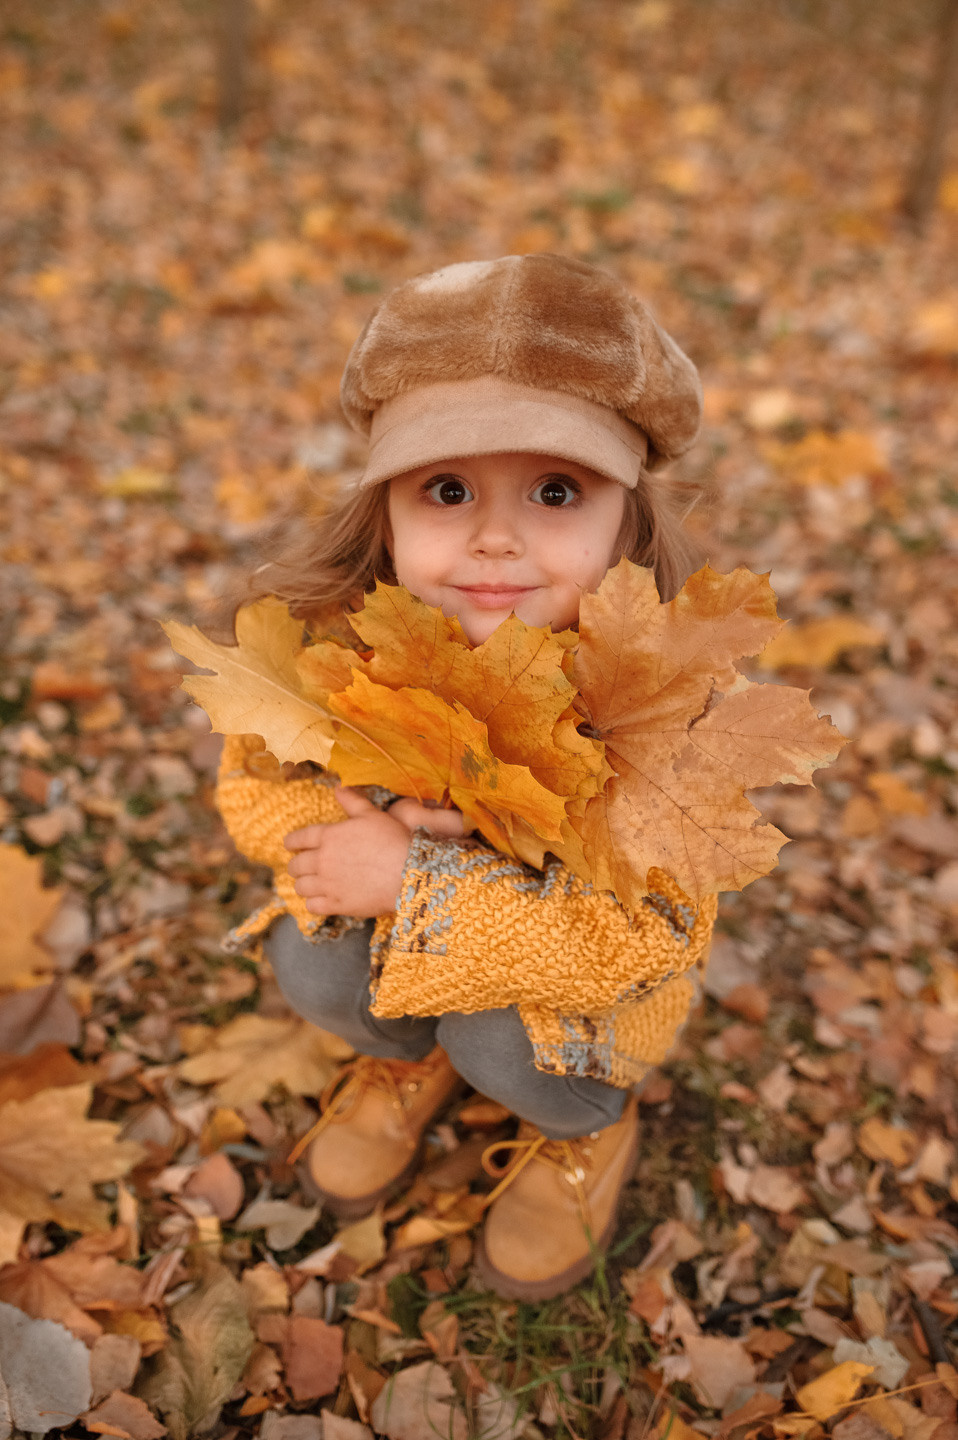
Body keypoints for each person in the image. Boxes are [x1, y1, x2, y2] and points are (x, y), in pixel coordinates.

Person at [215, 253, 717, 1301]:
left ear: (627, 517)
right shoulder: (340, 647)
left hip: (581, 998)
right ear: (384, 514)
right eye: (447, 490)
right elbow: (254, 785)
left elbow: (646, 933)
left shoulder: (665, 708)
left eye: (554, 490)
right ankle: (406, 1058)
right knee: (315, 967)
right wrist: (347, 826)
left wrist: (421, 883)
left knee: (504, 1038)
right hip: (395, 917)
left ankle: (587, 1129)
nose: (496, 535)